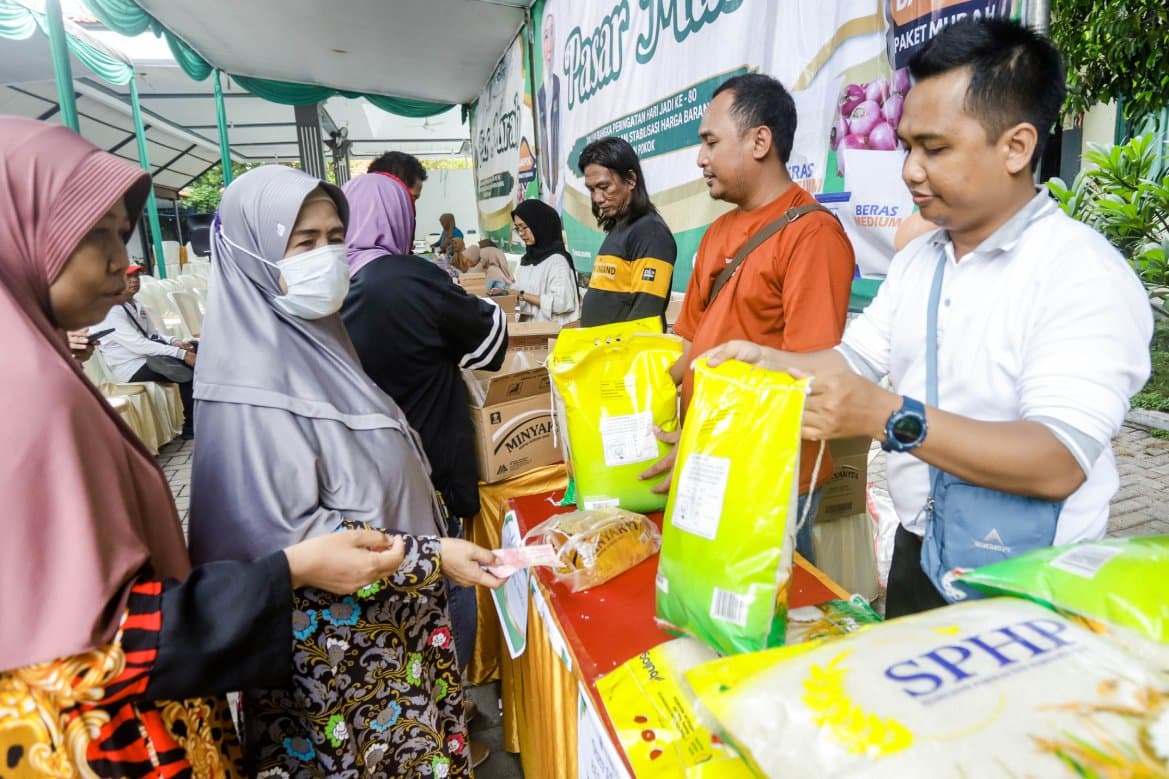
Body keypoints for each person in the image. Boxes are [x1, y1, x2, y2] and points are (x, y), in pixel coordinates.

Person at [0, 116, 427, 778]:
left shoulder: (39, 359)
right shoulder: (26, 389)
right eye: (97, 235)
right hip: (101, 737)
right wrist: (291, 569)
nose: (124, 261)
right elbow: (93, 632)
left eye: (123, 231)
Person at [703, 19, 1152, 617]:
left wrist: (885, 414)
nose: (911, 170)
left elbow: (1057, 461)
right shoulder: (920, 261)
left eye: (934, 148)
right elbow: (851, 360)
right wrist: (768, 362)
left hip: (1030, 580)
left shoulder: (1082, 273)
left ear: (1016, 147)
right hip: (918, 555)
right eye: (907, 146)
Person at [189, 165, 505, 777]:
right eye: (304, 243)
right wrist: (430, 555)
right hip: (340, 665)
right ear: (249, 253)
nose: (329, 256)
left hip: (394, 635)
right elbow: (298, 538)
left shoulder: (318, 341)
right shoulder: (247, 386)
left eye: (336, 236)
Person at [642, 73, 856, 564]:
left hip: (770, 475)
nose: (701, 158)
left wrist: (711, 447)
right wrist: (621, 392)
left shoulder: (812, 237)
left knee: (764, 626)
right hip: (706, 459)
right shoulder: (718, 231)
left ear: (760, 141)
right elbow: (689, 343)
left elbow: (807, 381)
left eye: (711, 142)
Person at [341, 172, 508, 763]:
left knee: (387, 585)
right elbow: (491, 342)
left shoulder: (330, 281)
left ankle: (401, 713)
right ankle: (449, 711)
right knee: (445, 578)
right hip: (425, 459)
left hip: (352, 476)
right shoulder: (404, 276)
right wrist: (479, 297)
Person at [577, 136, 677, 327]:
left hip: (623, 356)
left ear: (630, 180)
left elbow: (645, 318)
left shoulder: (651, 233)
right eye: (591, 190)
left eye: (604, 187)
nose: (597, 198)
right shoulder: (620, 227)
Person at [96, 263, 197, 438]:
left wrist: (176, 341)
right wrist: (181, 354)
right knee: (187, 371)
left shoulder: (136, 304)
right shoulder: (110, 311)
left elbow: (152, 335)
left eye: (137, 276)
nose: (134, 281)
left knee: (197, 346)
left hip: (150, 358)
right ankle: (191, 427)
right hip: (131, 366)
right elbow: (139, 344)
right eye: (129, 277)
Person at [511, 198, 580, 324]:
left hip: (552, 336)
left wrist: (522, 295)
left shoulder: (557, 261)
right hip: (530, 333)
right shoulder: (526, 260)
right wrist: (508, 292)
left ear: (540, 225)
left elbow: (562, 303)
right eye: (517, 228)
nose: (521, 233)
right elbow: (518, 290)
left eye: (524, 227)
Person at [537, 10, 561, 206]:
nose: (549, 43)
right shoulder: (541, 94)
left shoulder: (562, 85)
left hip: (561, 189)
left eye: (553, 34)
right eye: (545, 36)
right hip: (549, 189)